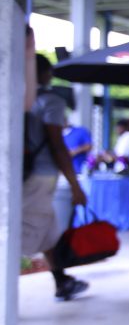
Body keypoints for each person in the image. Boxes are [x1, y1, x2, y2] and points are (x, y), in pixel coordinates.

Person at [22, 45, 91, 301]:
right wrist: (74, 184)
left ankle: (61, 280)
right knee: (30, 229)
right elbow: (57, 145)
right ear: (44, 72)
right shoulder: (50, 101)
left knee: (47, 229)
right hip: (40, 175)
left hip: (20, 174)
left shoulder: (16, 97)